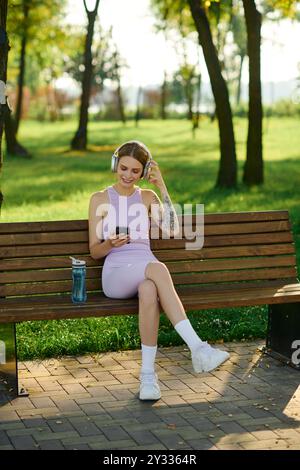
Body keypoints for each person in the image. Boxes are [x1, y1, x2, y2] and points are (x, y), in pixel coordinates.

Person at [88, 140, 229, 401]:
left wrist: (161, 186)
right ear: (115, 165)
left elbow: (173, 230)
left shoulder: (147, 197)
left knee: (149, 288)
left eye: (135, 171)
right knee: (159, 269)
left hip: (145, 271)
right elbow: (94, 251)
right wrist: (110, 243)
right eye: (123, 168)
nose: (128, 175)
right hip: (116, 272)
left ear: (144, 172)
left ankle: (148, 378)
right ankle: (198, 348)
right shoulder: (100, 198)